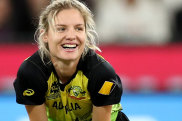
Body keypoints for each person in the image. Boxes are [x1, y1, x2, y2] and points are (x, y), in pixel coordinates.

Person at [13, 0, 129, 121]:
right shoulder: (31, 72)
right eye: (61, 29)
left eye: (79, 28)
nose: (71, 36)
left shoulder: (102, 73)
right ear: (45, 35)